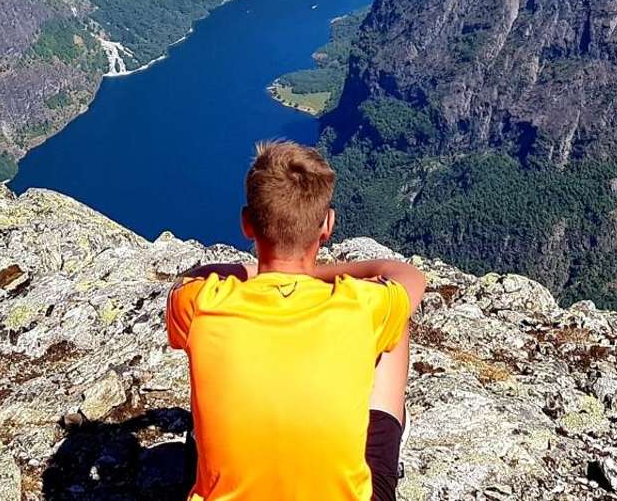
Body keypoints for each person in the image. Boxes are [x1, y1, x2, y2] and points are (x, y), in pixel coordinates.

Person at [167, 140, 425, 501]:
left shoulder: (201, 303)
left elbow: (190, 278)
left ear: (246, 224)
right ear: (328, 225)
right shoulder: (361, 304)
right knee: (395, 321)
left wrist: (255, 272)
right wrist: (318, 275)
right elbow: (407, 276)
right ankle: (385, 435)